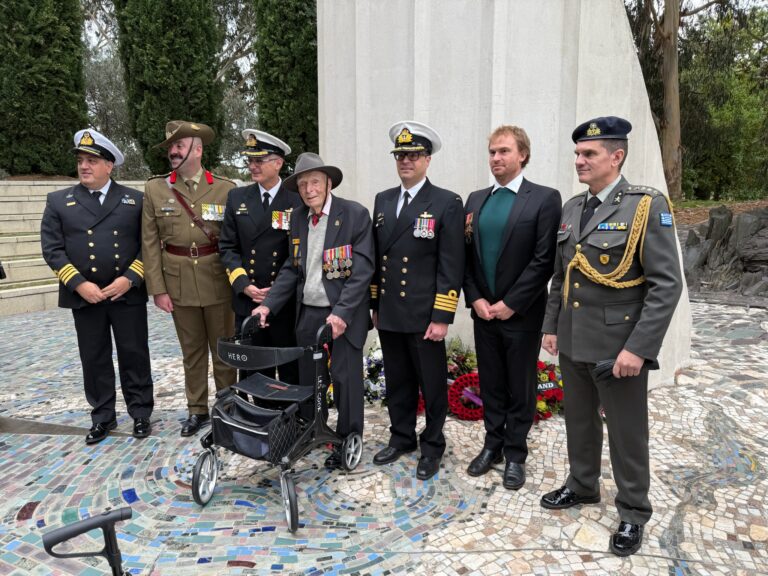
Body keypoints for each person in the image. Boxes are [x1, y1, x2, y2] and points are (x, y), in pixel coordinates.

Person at [540, 116, 683, 557]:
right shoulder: (572, 208)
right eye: (578, 153)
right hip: (575, 338)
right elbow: (561, 277)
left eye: (589, 154)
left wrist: (638, 349)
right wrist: (550, 327)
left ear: (616, 156)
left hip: (619, 346)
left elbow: (666, 285)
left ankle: (634, 511)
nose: (578, 161)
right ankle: (583, 485)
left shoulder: (644, 205)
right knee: (579, 422)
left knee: (626, 432)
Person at [252, 152, 374, 469]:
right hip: (308, 313)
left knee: (345, 381)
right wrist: (267, 305)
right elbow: (292, 270)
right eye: (303, 184)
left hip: (342, 315)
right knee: (310, 381)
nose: (309, 189)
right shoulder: (298, 218)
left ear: (328, 183)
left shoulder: (354, 215)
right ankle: (314, 430)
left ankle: (349, 438)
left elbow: (362, 271)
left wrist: (342, 313)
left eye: (315, 182)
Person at [463, 125, 562, 489]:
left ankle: (516, 453)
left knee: (519, 385)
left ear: (522, 154)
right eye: (492, 152)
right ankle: (493, 445)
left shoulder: (544, 198)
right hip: (483, 311)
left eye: (504, 151)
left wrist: (510, 304)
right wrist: (476, 298)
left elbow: (543, 259)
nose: (496, 158)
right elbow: (466, 258)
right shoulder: (475, 200)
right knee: (491, 382)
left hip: (521, 314)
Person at [41, 129, 153, 444]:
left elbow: (149, 244)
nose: (84, 166)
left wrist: (131, 277)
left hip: (126, 293)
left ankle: (141, 412)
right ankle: (102, 416)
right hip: (85, 296)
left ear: (109, 165)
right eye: (80, 160)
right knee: (94, 357)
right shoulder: (59, 201)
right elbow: (52, 249)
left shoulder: (135, 200)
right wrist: (78, 284)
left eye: (92, 160)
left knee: (134, 353)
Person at [369, 121, 464, 481]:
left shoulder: (446, 202)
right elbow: (378, 258)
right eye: (400, 155)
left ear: (427, 159)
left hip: (425, 314)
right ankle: (402, 436)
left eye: (413, 155)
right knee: (398, 381)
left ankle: (433, 445)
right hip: (391, 311)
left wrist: (442, 315)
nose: (405, 161)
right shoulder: (383, 200)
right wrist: (375, 304)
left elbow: (451, 265)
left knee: (432, 384)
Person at [141, 120, 237, 437]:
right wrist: (158, 289)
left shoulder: (225, 188)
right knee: (192, 352)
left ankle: (228, 406)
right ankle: (197, 410)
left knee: (224, 349)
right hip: (178, 281)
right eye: (170, 146)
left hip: (217, 280)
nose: (172, 151)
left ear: (197, 150)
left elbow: (234, 240)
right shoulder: (155, 188)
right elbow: (150, 243)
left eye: (179, 146)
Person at [219, 129, 302, 383]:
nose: (252, 166)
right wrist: (245, 286)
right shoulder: (237, 197)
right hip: (248, 299)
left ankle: (290, 419)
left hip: (283, 301)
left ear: (278, 163)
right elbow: (227, 247)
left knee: (288, 367)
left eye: (259, 161)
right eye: (250, 161)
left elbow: (297, 253)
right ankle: (257, 419)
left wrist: (275, 293)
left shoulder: (297, 200)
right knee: (253, 369)